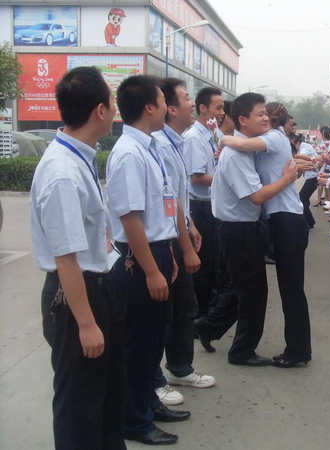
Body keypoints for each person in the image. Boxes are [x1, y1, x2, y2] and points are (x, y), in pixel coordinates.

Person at [30, 66, 125, 450]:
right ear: (100, 110)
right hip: (75, 297)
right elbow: (66, 259)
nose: (115, 108)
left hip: (95, 286)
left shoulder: (80, 155)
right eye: (112, 100)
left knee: (106, 395)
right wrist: (86, 324)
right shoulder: (62, 172)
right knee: (79, 404)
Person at [107, 75, 197, 446]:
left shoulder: (149, 146)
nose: (167, 108)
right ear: (149, 107)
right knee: (139, 342)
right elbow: (130, 218)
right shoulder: (129, 152)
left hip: (158, 250)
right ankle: (134, 420)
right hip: (139, 257)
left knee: (154, 338)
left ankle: (147, 403)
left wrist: (170, 252)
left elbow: (165, 202)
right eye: (162, 101)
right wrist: (151, 270)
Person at [218, 102, 312, 368]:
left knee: (291, 289)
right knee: (288, 288)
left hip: (287, 219)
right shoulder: (268, 142)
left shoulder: (272, 137)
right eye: (258, 114)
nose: (263, 120)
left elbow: (242, 144)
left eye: (264, 115)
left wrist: (224, 139)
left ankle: (297, 350)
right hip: (281, 219)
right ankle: (298, 348)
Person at [152, 78, 215, 405]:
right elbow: (164, 202)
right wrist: (184, 246)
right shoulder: (160, 146)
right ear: (170, 109)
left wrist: (190, 224)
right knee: (161, 313)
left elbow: (178, 196)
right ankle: (154, 379)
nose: (192, 104)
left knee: (184, 306)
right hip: (164, 239)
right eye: (186, 98)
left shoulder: (174, 142)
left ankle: (179, 367)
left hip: (178, 231)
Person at [183, 87, 225, 318]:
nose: (222, 112)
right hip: (200, 207)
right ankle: (199, 316)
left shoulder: (212, 133)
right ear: (203, 108)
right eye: (218, 107)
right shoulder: (193, 138)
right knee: (203, 264)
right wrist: (226, 179)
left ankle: (208, 311)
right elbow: (197, 178)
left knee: (213, 264)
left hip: (212, 205)